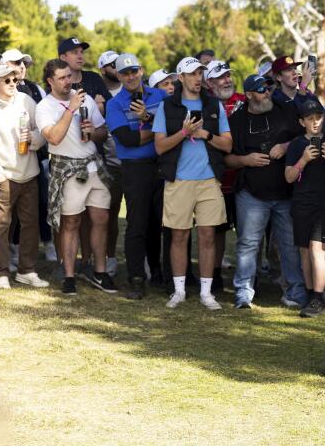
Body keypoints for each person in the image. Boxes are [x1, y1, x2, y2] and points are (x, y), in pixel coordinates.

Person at [153, 56, 233, 310]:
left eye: (200, 73)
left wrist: (204, 134)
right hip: (178, 181)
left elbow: (227, 144)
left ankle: (206, 293)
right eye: (193, 74)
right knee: (178, 236)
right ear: (181, 78)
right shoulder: (167, 106)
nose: (198, 78)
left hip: (209, 180)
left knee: (208, 236)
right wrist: (184, 133)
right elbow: (160, 146)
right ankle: (178, 291)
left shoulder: (213, 105)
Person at [36, 59, 114, 296]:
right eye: (62, 77)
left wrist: (93, 132)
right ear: (50, 81)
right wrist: (70, 108)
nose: (68, 81)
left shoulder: (85, 98)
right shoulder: (45, 107)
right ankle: (69, 276)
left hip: (93, 166)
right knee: (71, 223)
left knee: (101, 218)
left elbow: (103, 132)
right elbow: (54, 138)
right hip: (67, 169)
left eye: (69, 76)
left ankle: (99, 272)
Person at [225, 74, 303, 309]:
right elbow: (226, 159)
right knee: (248, 244)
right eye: (261, 90)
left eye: (269, 88)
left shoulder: (285, 109)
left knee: (290, 244)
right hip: (251, 193)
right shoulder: (236, 120)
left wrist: (286, 146)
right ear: (248, 95)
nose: (267, 92)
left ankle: (295, 292)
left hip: (285, 192)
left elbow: (305, 136)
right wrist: (245, 159)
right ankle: (243, 293)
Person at [105, 53, 169, 299]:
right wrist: (159, 129)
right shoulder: (114, 104)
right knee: (137, 224)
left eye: (134, 71)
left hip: (162, 164)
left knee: (160, 223)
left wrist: (147, 119)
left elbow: (176, 125)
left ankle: (158, 272)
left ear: (141, 71)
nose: (130, 77)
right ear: (119, 76)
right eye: (125, 73)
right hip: (135, 168)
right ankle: (136, 278)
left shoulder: (160, 95)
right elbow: (128, 139)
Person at [0, 64, 49, 289]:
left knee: (31, 225)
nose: (12, 84)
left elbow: (43, 130)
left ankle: (27, 270)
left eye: (14, 79)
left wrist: (33, 139)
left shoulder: (26, 101)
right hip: (2, 176)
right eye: (6, 80)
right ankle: (2, 272)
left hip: (30, 173)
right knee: (0, 226)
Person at [285, 99, 325, 317]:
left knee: (318, 249)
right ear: (302, 122)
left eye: (318, 117)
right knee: (305, 250)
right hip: (301, 203)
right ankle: (310, 294)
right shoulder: (297, 144)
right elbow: (288, 177)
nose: (315, 122)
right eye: (310, 119)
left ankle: (318, 297)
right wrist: (304, 160)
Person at [203, 60, 246, 290]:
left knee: (246, 230)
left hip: (242, 176)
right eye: (221, 77)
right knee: (216, 229)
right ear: (209, 82)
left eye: (228, 75)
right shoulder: (204, 103)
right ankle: (215, 274)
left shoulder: (242, 100)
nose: (227, 80)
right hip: (215, 177)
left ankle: (247, 277)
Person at [97, 50, 124, 276]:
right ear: (103, 69)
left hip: (135, 163)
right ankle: (110, 257)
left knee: (138, 215)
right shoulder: (99, 94)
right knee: (110, 214)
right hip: (110, 164)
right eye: (112, 64)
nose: (117, 66)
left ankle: (143, 260)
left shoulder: (132, 88)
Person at [57, 38, 111, 115]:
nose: (80, 56)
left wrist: (102, 107)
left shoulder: (94, 78)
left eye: (81, 52)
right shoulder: (57, 84)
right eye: (75, 52)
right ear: (63, 58)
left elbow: (112, 105)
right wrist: (94, 107)